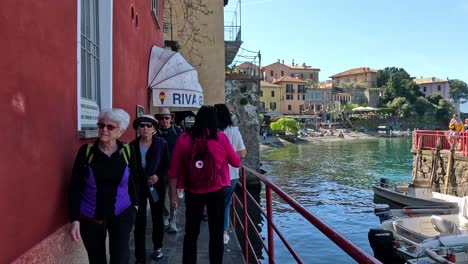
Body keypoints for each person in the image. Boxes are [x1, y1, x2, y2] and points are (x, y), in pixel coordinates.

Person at [169, 105, 241, 264]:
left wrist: (173, 196)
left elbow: (173, 170)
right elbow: (236, 163)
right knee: (216, 233)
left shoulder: (184, 138)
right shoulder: (221, 138)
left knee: (191, 233)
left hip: (192, 190)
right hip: (216, 190)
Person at [69, 108, 138, 264]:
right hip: (91, 216)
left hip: (122, 213)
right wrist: (74, 219)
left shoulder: (128, 151)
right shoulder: (86, 152)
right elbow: (75, 187)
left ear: (120, 132)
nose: (104, 130)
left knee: (121, 258)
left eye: (110, 127)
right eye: (101, 125)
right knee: (97, 260)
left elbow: (135, 180)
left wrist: (135, 206)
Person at [131, 115, 170, 262]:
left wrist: (158, 176)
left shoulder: (161, 144)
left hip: (156, 187)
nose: (145, 128)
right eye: (142, 126)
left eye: (148, 125)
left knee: (157, 217)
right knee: (139, 219)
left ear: (154, 128)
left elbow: (167, 165)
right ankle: (139, 254)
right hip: (139, 187)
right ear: (138, 129)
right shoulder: (132, 146)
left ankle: (158, 247)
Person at [214, 104, 247, 245]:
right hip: (232, 174)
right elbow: (242, 153)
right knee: (226, 203)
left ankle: (215, 229)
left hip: (214, 174)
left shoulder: (211, 131)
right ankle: (224, 232)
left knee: (213, 203)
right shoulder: (234, 131)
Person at [154, 107, 182, 233]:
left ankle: (173, 221)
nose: (164, 120)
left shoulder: (178, 132)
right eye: (162, 118)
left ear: (171, 119)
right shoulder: (154, 133)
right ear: (158, 119)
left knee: (174, 197)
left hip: (175, 170)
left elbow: (183, 150)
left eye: (167, 118)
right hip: (159, 171)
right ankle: (165, 215)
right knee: (160, 196)